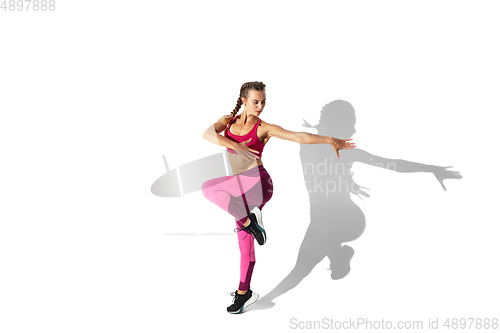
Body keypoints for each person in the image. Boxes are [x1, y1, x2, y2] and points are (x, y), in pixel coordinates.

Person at [201, 81, 356, 314]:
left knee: (209, 188)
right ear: (243, 101)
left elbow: (297, 136)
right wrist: (236, 145)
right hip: (239, 189)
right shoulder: (227, 121)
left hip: (257, 182)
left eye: (263, 102)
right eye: (255, 102)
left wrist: (329, 140)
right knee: (245, 246)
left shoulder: (264, 128)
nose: (260, 106)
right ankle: (244, 293)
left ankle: (248, 221)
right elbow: (207, 134)